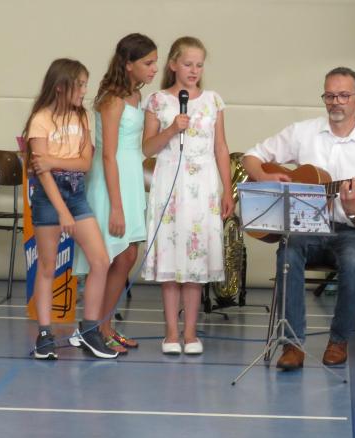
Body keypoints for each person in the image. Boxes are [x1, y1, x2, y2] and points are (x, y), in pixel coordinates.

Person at [243, 66, 355, 370]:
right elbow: (251, 156)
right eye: (329, 95)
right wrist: (264, 176)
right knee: (289, 252)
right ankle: (292, 344)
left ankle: (338, 340)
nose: (336, 102)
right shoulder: (302, 132)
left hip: (349, 230)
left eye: (343, 95)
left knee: (353, 260)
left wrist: (351, 209)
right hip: (305, 227)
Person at [141, 36, 234, 355]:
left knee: (195, 263)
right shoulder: (157, 101)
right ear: (173, 65)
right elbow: (147, 148)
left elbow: (220, 147)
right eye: (187, 64)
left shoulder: (213, 101)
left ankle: (191, 333)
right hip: (169, 182)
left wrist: (227, 189)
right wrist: (171, 130)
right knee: (171, 260)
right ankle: (170, 333)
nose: (194, 70)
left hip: (203, 186)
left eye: (199, 65)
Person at [23, 58, 117, 360]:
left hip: (76, 193)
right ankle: (45, 334)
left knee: (100, 260)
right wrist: (61, 210)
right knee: (48, 266)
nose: (84, 90)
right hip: (49, 196)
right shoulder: (40, 119)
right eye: (80, 84)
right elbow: (41, 170)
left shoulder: (82, 117)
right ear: (61, 86)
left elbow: (85, 163)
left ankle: (89, 330)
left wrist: (54, 161)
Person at [74, 33, 158, 354]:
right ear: (128, 64)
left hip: (132, 177)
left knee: (128, 254)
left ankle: (106, 326)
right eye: (147, 63)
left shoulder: (137, 97)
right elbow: (108, 154)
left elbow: (140, 147)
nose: (153, 69)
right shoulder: (112, 98)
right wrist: (117, 208)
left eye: (155, 63)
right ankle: (94, 327)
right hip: (111, 182)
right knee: (109, 255)